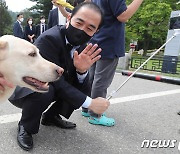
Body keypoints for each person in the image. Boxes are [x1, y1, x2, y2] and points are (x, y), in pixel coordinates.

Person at [9, 2, 109, 151]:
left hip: (51, 83)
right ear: (69, 17)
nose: (82, 30)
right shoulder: (49, 39)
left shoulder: (84, 47)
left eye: (90, 28)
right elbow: (56, 83)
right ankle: (25, 126)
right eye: (79, 22)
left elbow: (81, 87)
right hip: (23, 88)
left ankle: (51, 117)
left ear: (96, 31)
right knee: (45, 89)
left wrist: (82, 71)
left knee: (78, 85)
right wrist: (90, 104)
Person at [79, 0, 144, 127]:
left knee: (91, 78)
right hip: (109, 42)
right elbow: (123, 16)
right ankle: (95, 114)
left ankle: (87, 108)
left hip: (96, 40)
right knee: (101, 81)